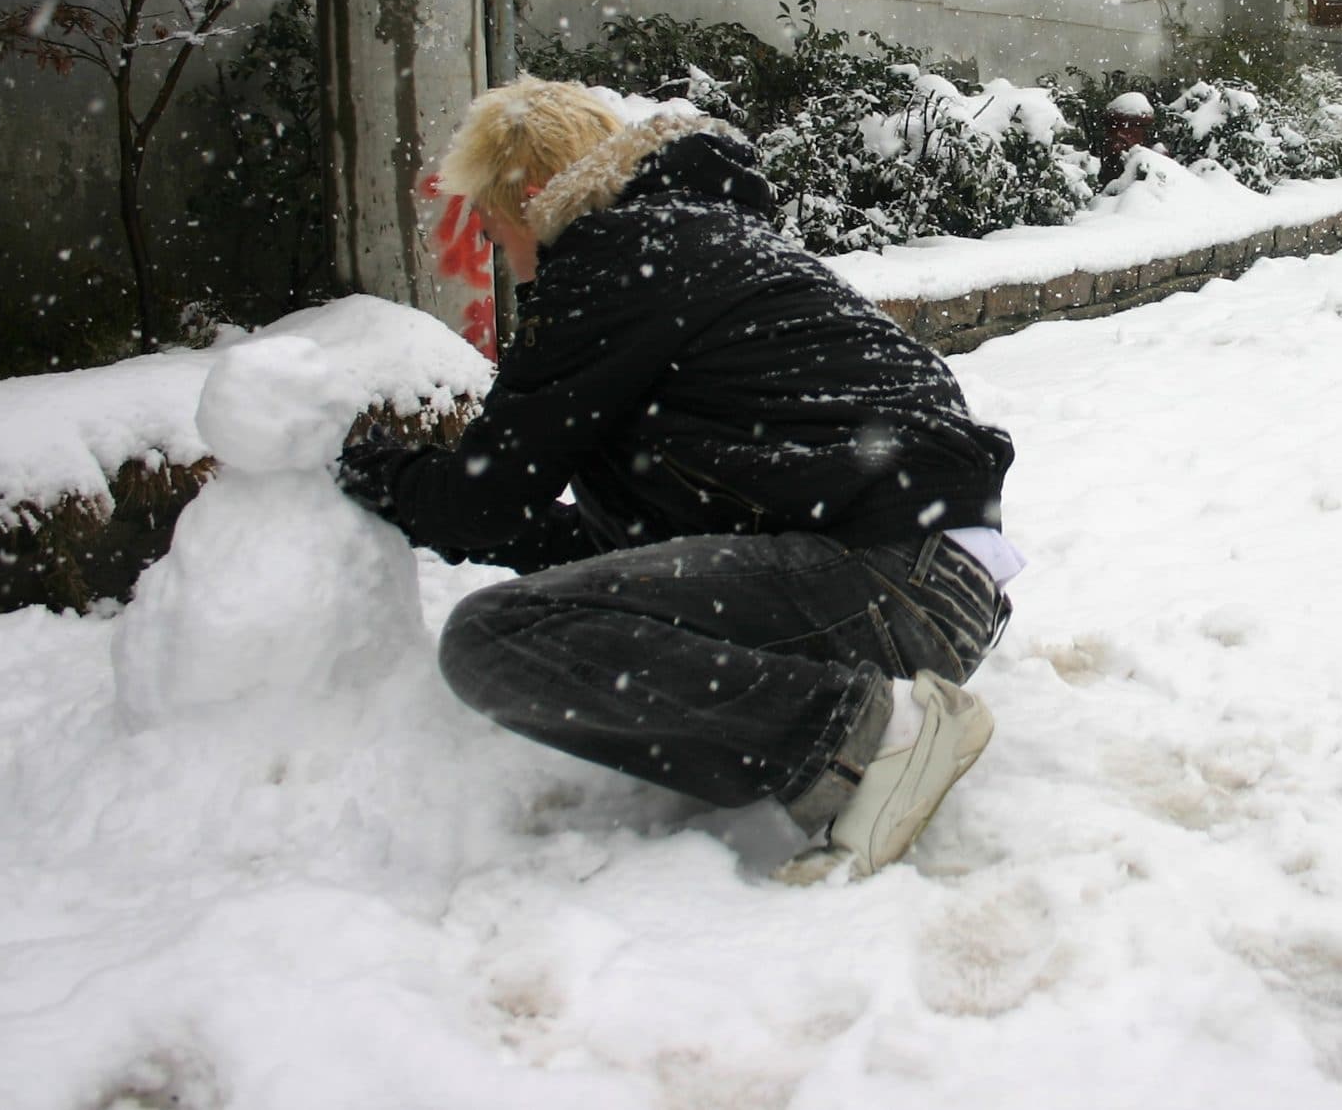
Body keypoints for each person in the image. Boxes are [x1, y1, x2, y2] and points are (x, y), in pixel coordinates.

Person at [335, 78, 1020, 881]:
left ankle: (873, 736)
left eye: (492, 229)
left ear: (527, 195)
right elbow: (611, 549)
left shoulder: (613, 259)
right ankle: (869, 726)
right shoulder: (701, 244)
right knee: (538, 618)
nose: (500, 255)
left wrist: (361, 464)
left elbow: (481, 499)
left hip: (883, 577)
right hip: (937, 591)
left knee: (493, 640)